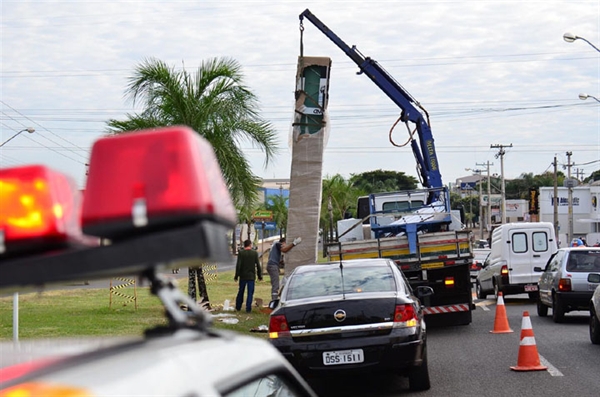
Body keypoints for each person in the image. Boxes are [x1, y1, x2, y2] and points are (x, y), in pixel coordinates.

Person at [267, 236, 301, 301]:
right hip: (273, 266)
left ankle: (275, 299)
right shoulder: (278, 244)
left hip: (272, 265)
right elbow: (284, 250)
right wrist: (294, 243)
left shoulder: (275, 247)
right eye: (285, 244)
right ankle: (274, 301)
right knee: (276, 285)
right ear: (283, 243)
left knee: (276, 284)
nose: (285, 246)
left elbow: (279, 260)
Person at [234, 239, 262, 313]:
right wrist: (260, 276)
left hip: (243, 276)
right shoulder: (254, 253)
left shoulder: (241, 253)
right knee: (250, 293)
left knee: (241, 291)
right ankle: (248, 308)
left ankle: (238, 306)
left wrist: (236, 275)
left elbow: (238, 265)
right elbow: (258, 265)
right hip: (251, 276)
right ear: (250, 245)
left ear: (244, 245)